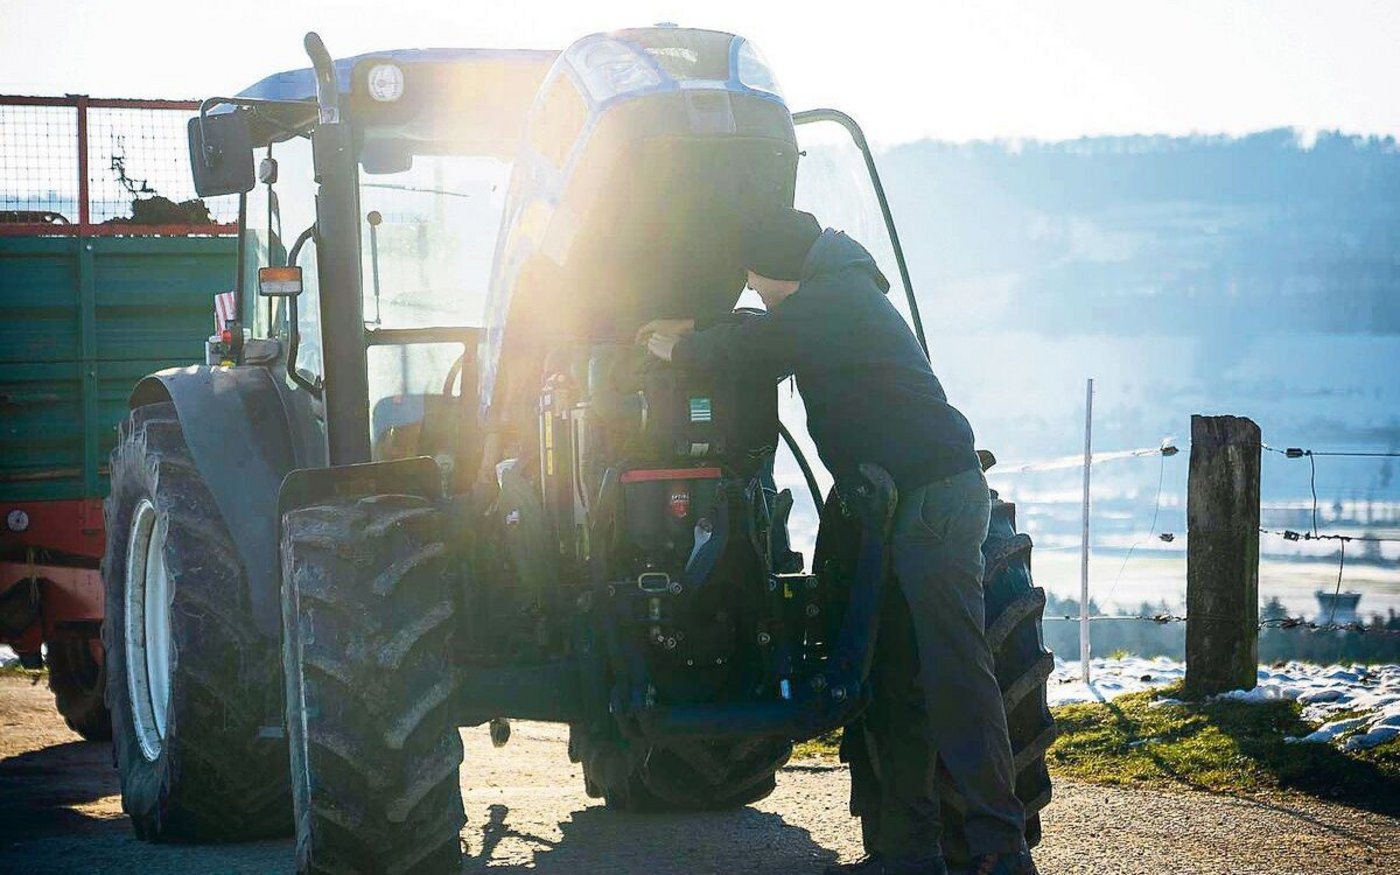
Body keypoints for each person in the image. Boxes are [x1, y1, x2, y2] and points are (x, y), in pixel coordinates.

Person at [637, 208, 1037, 875]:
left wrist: (673, 348)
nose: (757, 294)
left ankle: (1002, 846)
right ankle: (909, 854)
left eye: (759, 284)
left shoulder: (837, 300)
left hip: (932, 500)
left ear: (782, 269)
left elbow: (754, 347)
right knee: (899, 676)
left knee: (954, 671)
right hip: (903, 503)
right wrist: (699, 328)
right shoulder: (835, 291)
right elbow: (760, 329)